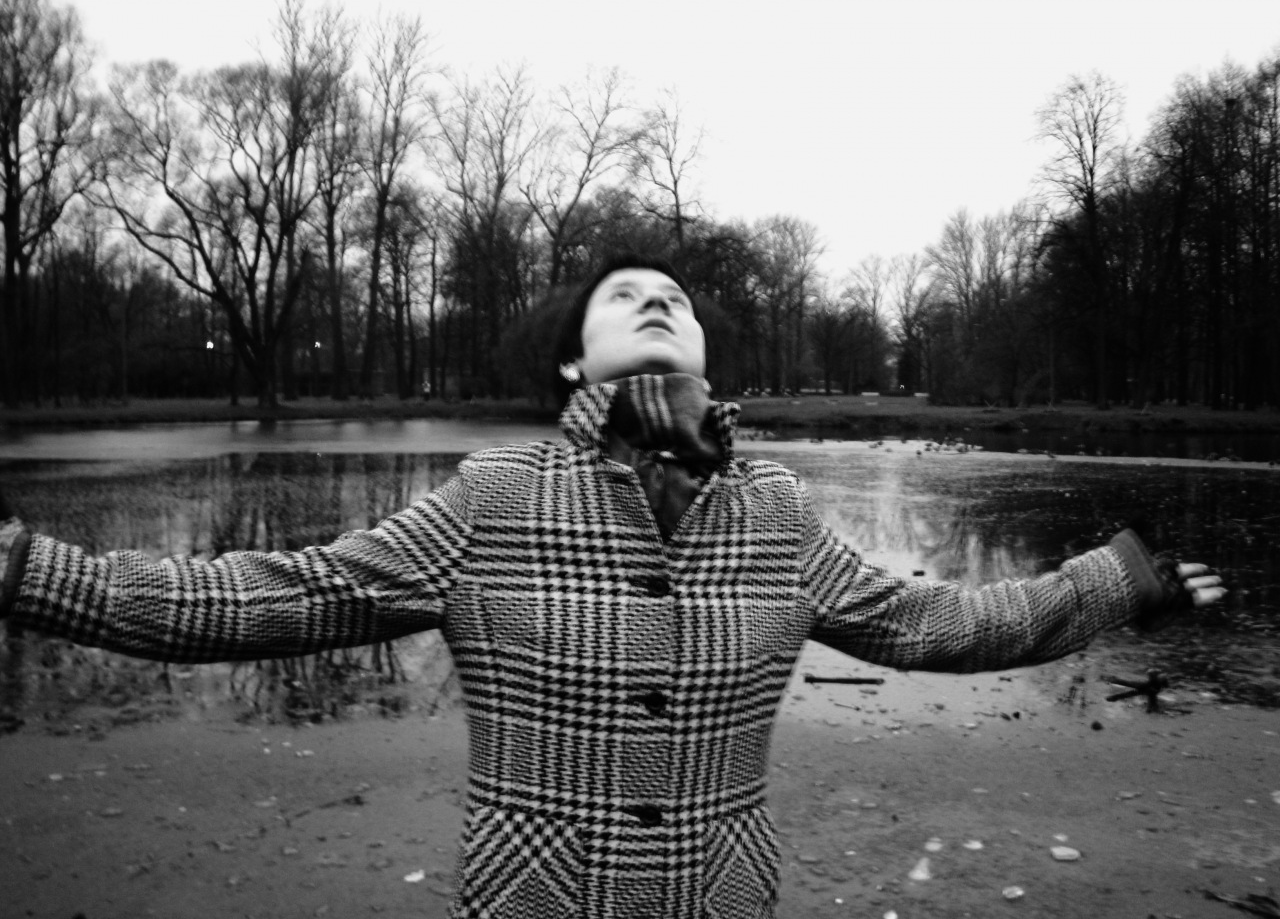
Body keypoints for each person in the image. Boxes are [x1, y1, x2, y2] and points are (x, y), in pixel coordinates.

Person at [0, 254, 1225, 919]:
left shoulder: (773, 513)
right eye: (624, 296)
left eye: (675, 300)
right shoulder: (493, 498)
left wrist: (1116, 582)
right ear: (572, 362)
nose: (656, 302)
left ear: (705, 355)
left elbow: (938, 623)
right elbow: (272, 595)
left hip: (722, 899)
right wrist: (22, 567)